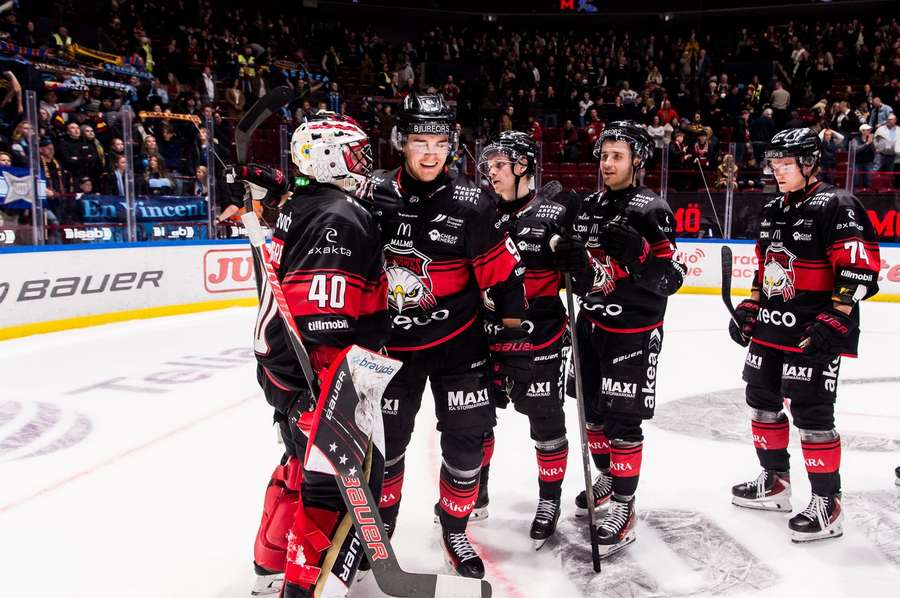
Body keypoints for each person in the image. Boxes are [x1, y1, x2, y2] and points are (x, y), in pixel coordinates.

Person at [363, 93, 529, 579]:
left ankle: (454, 527)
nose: (430, 153)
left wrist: (514, 342)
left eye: (439, 142)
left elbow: (506, 279)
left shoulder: (474, 203)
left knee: (465, 446)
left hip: (460, 348)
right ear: (401, 142)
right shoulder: (370, 194)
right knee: (387, 449)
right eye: (419, 141)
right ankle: (381, 526)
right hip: (391, 353)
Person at [234, 112, 390, 598]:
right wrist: (331, 391)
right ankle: (304, 586)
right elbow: (324, 319)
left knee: (300, 465)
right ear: (328, 156)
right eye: (355, 152)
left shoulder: (302, 203)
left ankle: (269, 562)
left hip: (282, 368)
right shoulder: (338, 215)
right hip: (322, 372)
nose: (364, 163)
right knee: (336, 486)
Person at [728, 128, 880, 543]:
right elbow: (766, 267)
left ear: (809, 163)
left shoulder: (837, 204)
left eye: (785, 164)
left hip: (813, 332)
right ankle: (775, 482)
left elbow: (858, 268)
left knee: (812, 414)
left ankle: (827, 505)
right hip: (771, 328)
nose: (776, 171)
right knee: (761, 400)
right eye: (773, 165)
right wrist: (752, 304)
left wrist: (838, 316)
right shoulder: (775, 207)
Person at [566, 121, 685, 558]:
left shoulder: (651, 208)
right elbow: (582, 269)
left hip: (632, 332)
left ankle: (623, 504)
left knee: (623, 421)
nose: (608, 163)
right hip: (590, 324)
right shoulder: (591, 204)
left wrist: (639, 255)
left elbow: (671, 279)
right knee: (592, 413)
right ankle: (608, 479)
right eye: (604, 155)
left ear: (637, 160)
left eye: (617, 156)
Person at [474, 131, 585, 548]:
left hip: (542, 336)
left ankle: (549, 500)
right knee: (476, 420)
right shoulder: (482, 211)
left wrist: (577, 259)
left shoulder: (557, 210)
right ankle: (475, 491)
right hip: (487, 337)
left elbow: (587, 283)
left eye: (500, 165)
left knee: (545, 421)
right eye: (489, 166)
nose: (491, 173)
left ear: (523, 165)